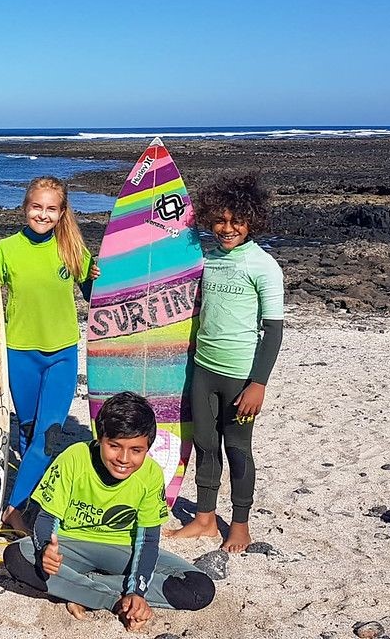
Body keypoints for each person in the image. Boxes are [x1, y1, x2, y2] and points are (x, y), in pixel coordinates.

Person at [2, 392, 215, 631]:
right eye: (114, 446)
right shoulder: (74, 458)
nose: (124, 458)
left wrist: (137, 590)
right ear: (100, 437)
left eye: (136, 450)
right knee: (18, 556)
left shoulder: (151, 474)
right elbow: (47, 518)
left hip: (123, 549)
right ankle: (112, 600)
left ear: (148, 448)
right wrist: (45, 551)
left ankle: (84, 589)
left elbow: (148, 539)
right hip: (71, 546)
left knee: (199, 588)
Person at [164, 172, 283, 553]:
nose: (227, 228)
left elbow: (274, 331)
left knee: (237, 448)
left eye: (236, 221)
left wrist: (258, 383)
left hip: (240, 377)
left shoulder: (263, 266)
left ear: (252, 221)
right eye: (220, 220)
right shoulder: (209, 259)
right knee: (204, 443)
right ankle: (204, 518)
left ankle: (241, 523)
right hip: (203, 368)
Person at [0, 176, 99, 532]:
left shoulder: (72, 250)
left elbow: (95, 296)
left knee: (48, 435)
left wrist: (98, 276)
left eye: (51, 209)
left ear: (61, 212)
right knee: (27, 432)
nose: (43, 215)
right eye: (36, 207)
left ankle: (13, 510)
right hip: (20, 352)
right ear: (25, 208)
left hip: (62, 355)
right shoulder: (5, 250)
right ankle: (35, 500)